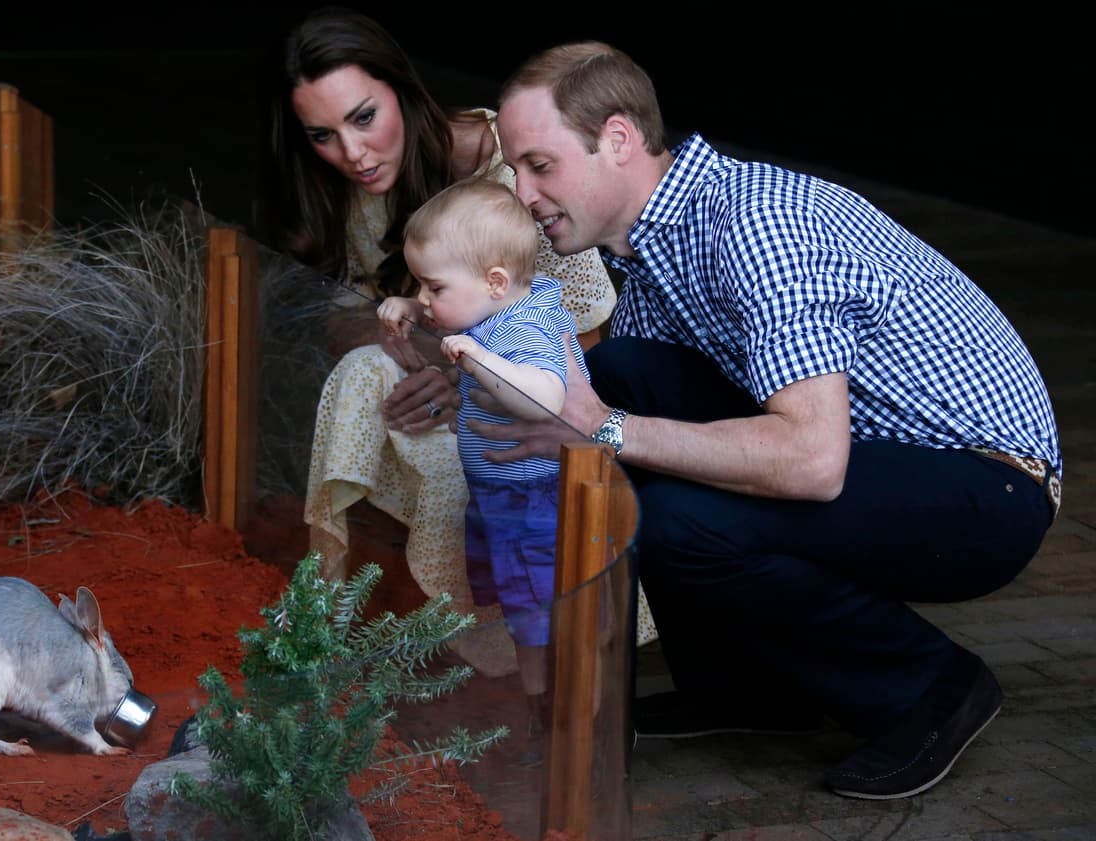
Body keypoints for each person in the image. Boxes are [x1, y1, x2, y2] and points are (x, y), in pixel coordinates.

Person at [477, 40, 1062, 799]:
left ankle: (933, 687)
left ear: (616, 139)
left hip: (987, 484)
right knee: (625, 375)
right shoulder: (653, 256)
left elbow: (813, 461)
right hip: (879, 457)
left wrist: (609, 428)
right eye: (515, 170)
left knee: (681, 515)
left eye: (539, 165)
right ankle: (752, 689)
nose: (522, 193)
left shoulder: (755, 223)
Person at [268, 7, 657, 677]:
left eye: (364, 118)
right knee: (364, 373)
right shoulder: (358, 185)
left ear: (404, 89)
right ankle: (350, 606)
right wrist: (416, 345)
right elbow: (340, 310)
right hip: (461, 393)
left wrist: (472, 374)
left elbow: (588, 329)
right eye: (323, 135)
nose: (353, 153)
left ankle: (536, 659)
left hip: (550, 404)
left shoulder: (510, 169)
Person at [378, 178, 589, 760]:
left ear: (495, 281)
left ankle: (555, 713)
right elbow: (456, 316)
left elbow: (547, 397)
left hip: (534, 497)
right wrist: (412, 308)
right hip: (502, 495)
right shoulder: (504, 302)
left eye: (433, 285)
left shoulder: (521, 327)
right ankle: (540, 702)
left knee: (539, 608)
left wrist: (479, 357)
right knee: (524, 610)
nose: (425, 296)